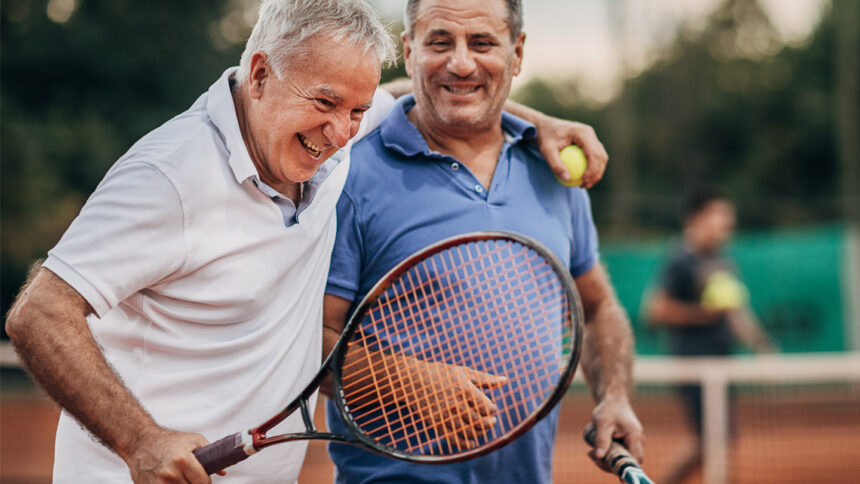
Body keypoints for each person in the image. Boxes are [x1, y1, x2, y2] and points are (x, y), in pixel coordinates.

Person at [5, 1, 610, 482]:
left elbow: (416, 97)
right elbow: (39, 314)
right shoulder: (170, 175)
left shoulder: (325, 143)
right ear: (261, 73)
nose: (341, 131)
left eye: (356, 110)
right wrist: (140, 440)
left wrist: (539, 123)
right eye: (325, 103)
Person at [320, 0, 644, 482]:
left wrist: (614, 395)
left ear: (518, 54)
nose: (461, 62)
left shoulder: (556, 171)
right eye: (439, 42)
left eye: (483, 42)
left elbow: (597, 309)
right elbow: (307, 343)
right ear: (409, 52)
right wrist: (408, 384)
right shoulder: (346, 174)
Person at [645, 190, 773, 484]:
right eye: (720, 218)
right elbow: (656, 310)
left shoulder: (722, 259)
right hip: (693, 364)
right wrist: (704, 313)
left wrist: (759, 345)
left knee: (715, 440)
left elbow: (734, 312)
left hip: (722, 363)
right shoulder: (679, 258)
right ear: (698, 218)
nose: (727, 226)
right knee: (714, 440)